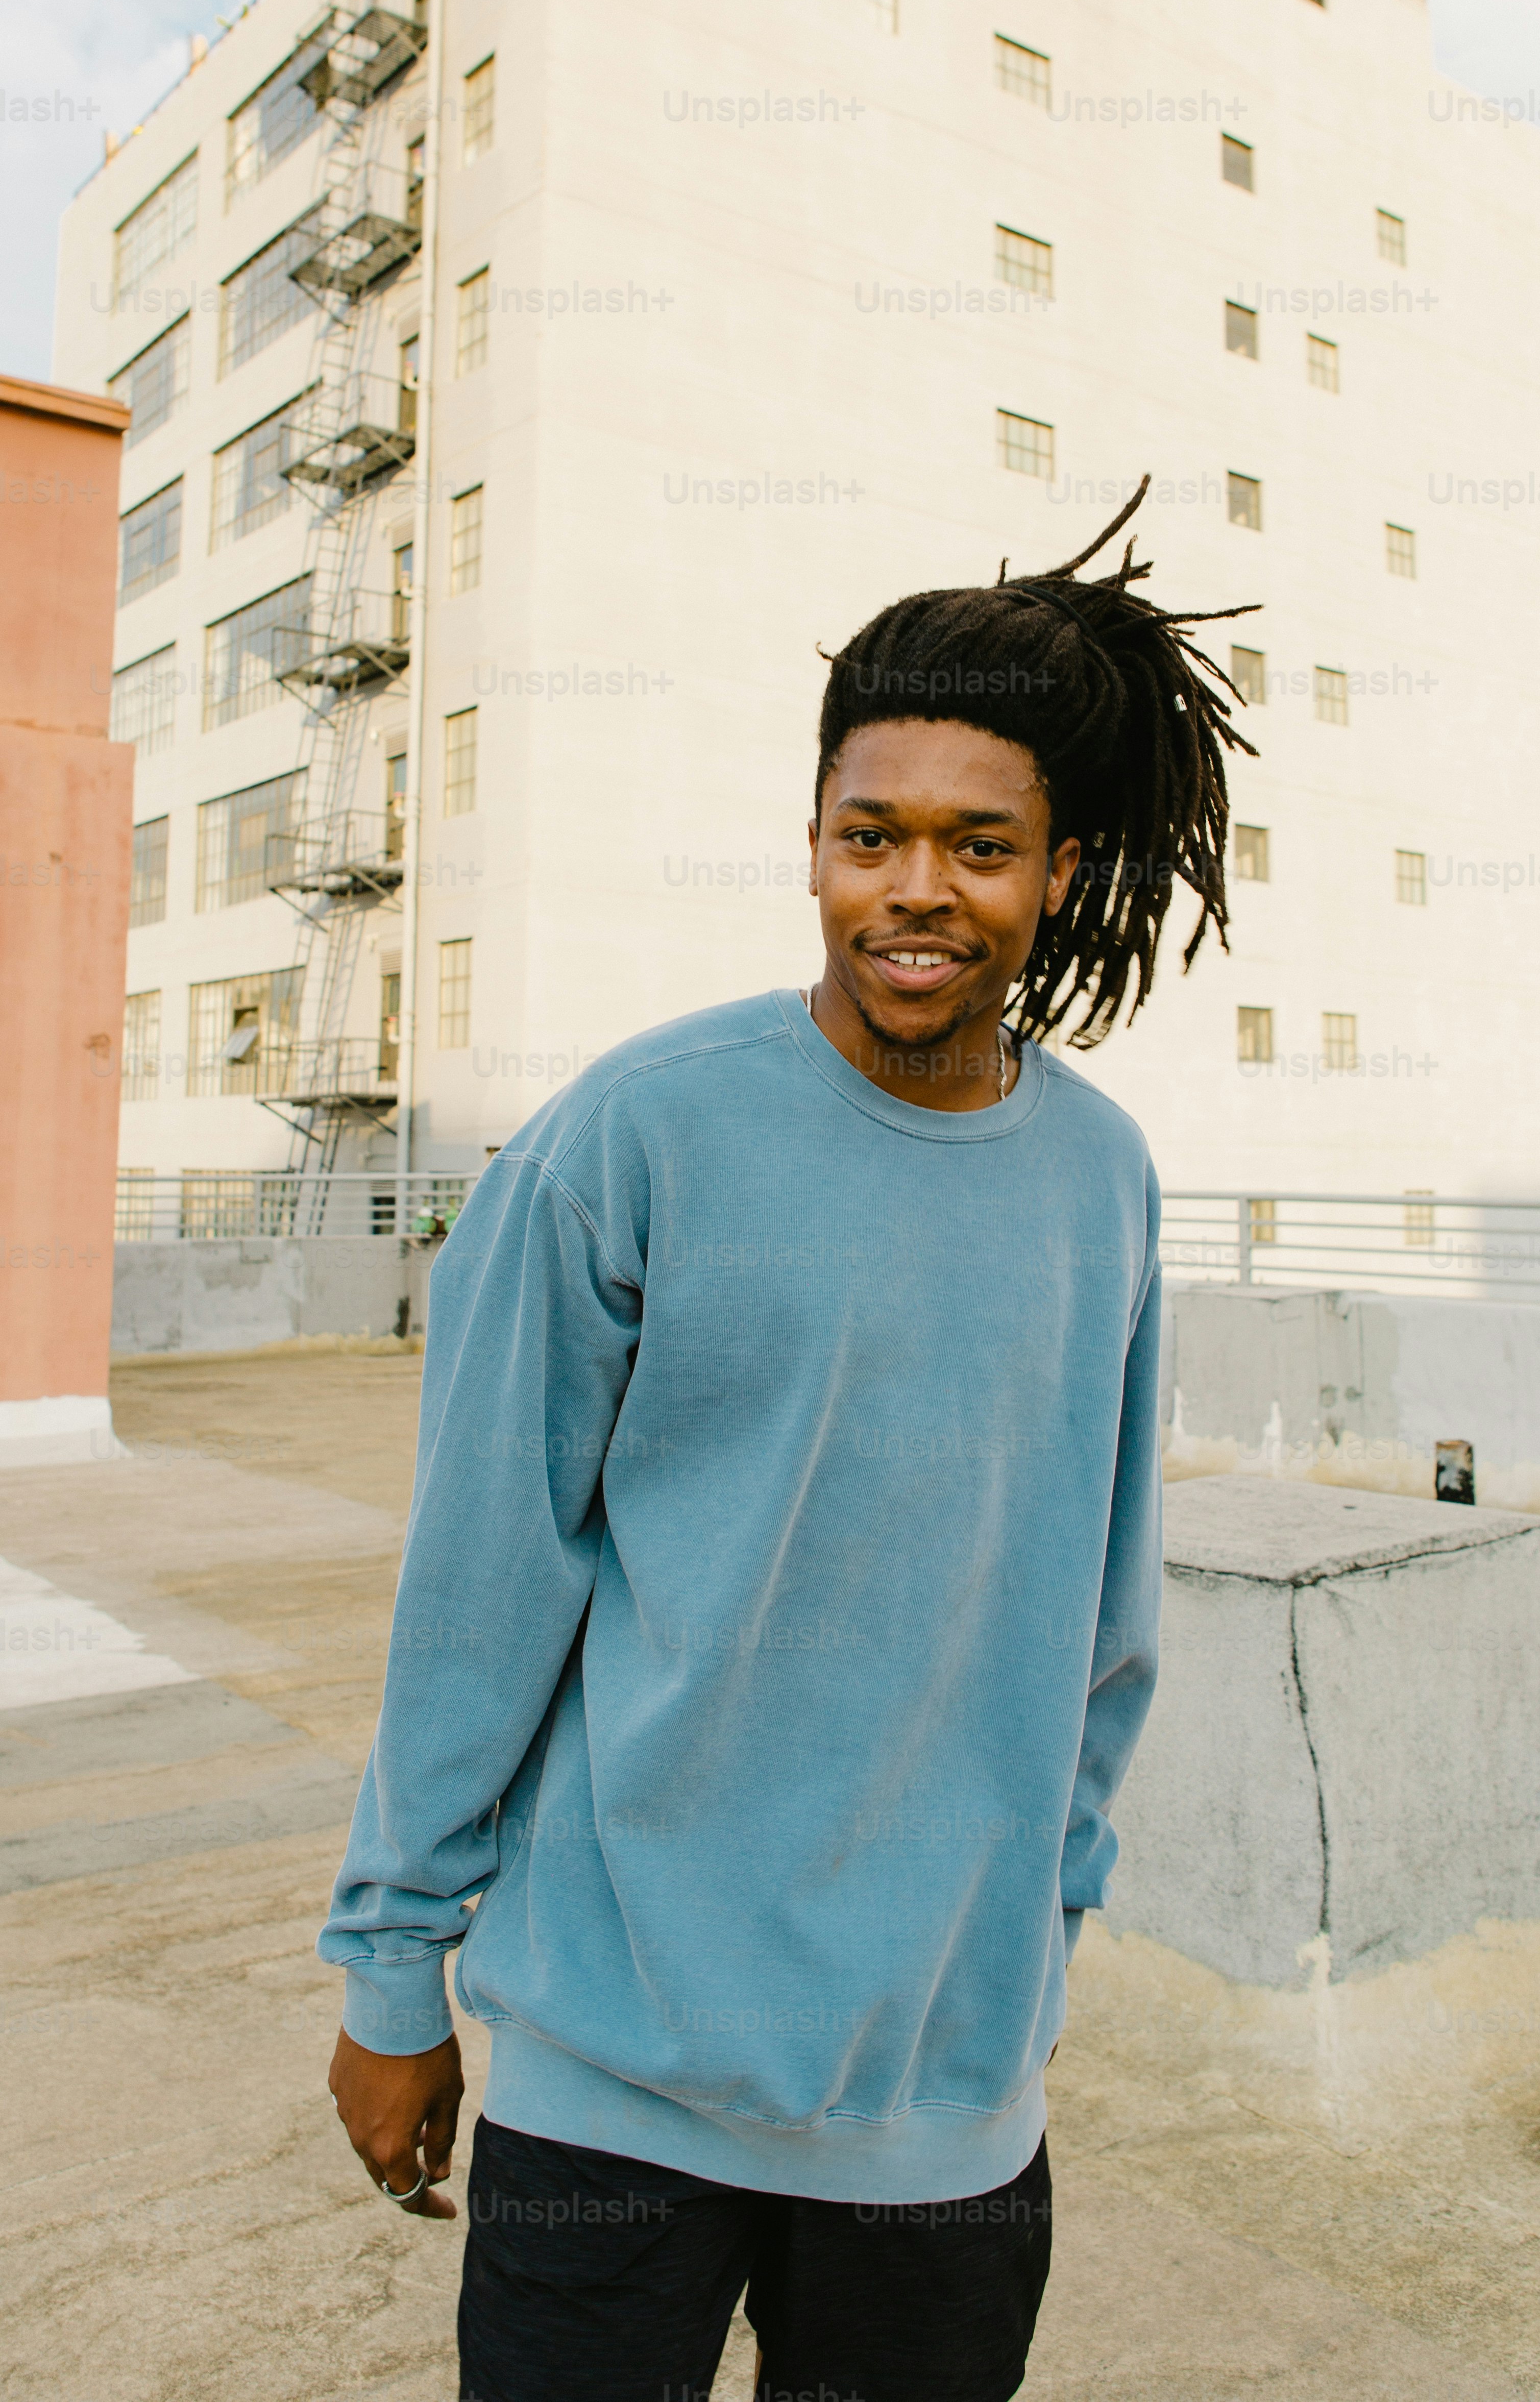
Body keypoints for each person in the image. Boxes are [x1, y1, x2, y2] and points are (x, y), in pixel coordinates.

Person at [321, 483, 1255, 2402]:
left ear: (1057, 870)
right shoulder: (638, 1136)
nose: (920, 888)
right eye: (871, 837)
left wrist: (1044, 1921)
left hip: (944, 2104)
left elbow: (1100, 1602)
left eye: (980, 846)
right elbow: (483, 1591)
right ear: (814, 851)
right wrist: (392, 1968)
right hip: (615, 2087)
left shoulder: (1106, 1182)